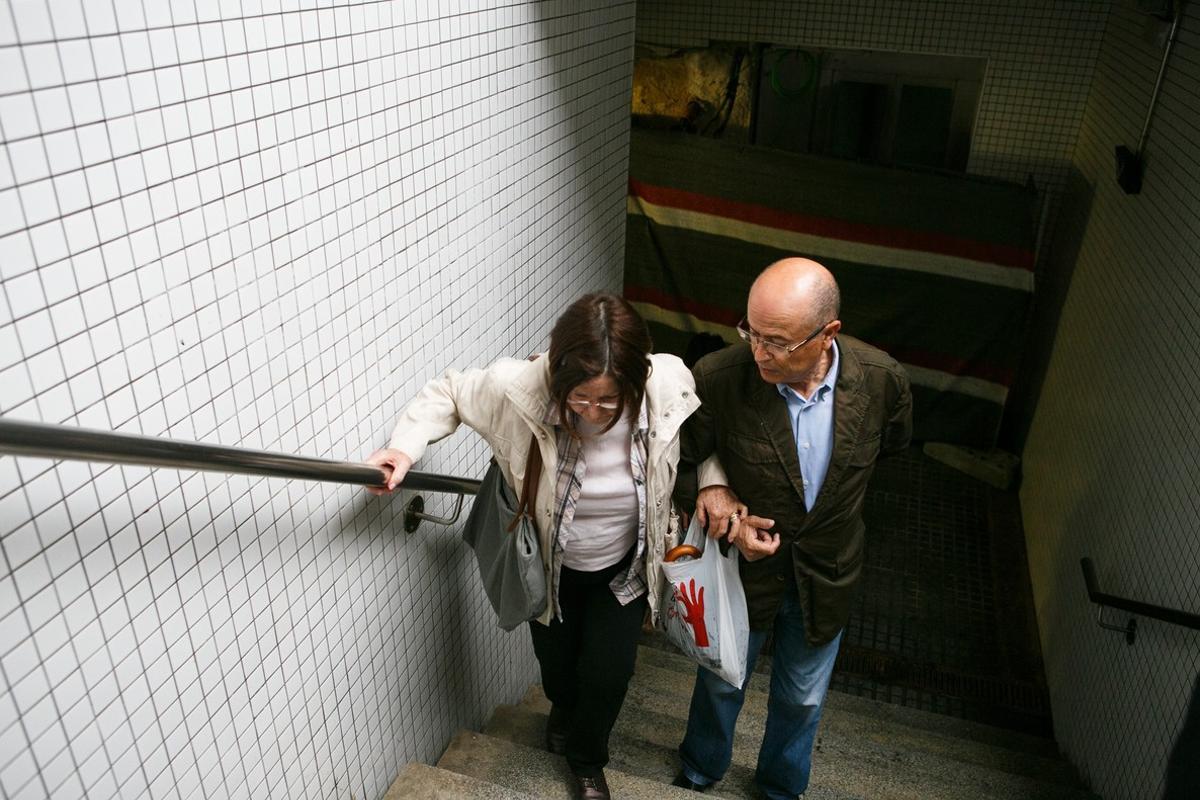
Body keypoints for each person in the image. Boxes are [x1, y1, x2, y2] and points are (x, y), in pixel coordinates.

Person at [366, 293, 700, 800]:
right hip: (550, 568)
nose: (592, 413)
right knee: (559, 674)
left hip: (624, 569)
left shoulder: (669, 382)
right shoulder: (516, 387)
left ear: (637, 380)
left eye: (610, 402)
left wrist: (714, 484)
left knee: (609, 676)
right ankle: (562, 709)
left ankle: (587, 764)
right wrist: (404, 447)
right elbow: (450, 392)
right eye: (580, 399)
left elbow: (703, 441)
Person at [670, 258, 913, 799]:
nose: (759, 352)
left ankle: (780, 788)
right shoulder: (719, 377)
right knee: (719, 680)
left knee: (803, 696)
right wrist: (717, 497)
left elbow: (894, 449)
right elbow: (677, 460)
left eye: (776, 341)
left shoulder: (882, 383)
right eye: (750, 332)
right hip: (742, 573)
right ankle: (700, 767)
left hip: (827, 572)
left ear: (828, 335)